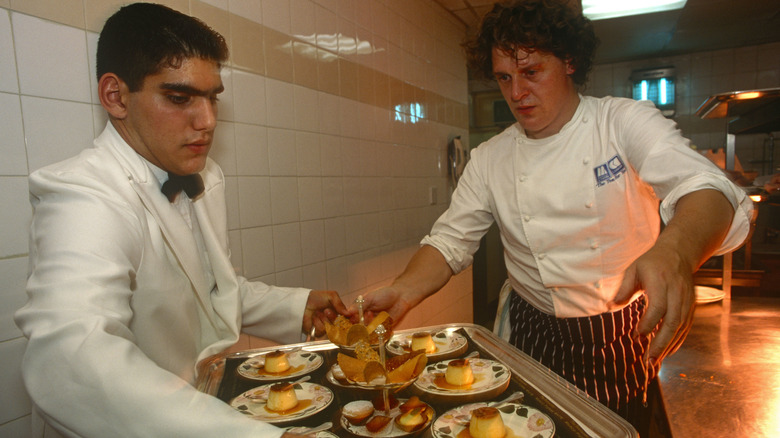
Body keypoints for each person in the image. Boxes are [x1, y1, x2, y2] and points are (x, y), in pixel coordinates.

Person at [354, 0, 753, 433]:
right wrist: (404, 291)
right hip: (532, 331)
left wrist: (675, 251)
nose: (516, 93)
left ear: (569, 61)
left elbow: (706, 188)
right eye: (504, 78)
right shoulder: (490, 157)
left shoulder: (620, 122)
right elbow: (449, 242)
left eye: (531, 72)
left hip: (618, 333)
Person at [14, 3, 348, 437]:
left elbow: (207, 289)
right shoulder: (85, 194)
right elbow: (73, 357)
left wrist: (296, 307)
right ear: (115, 96)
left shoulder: (201, 174)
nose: (207, 121)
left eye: (213, 98)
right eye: (179, 98)